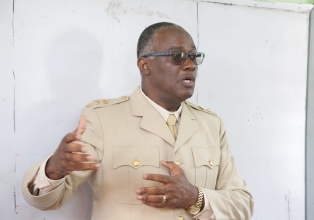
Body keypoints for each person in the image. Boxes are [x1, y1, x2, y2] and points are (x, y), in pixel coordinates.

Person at [22, 22, 254, 220]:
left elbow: (243, 205)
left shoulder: (211, 125)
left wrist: (196, 198)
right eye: (177, 56)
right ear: (145, 65)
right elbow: (46, 202)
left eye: (193, 56)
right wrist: (54, 169)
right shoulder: (103, 120)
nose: (190, 64)